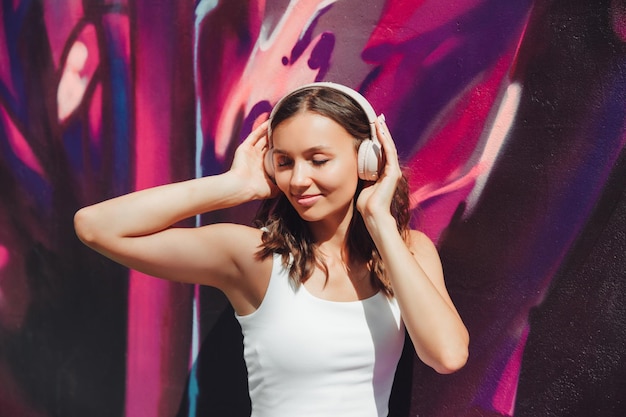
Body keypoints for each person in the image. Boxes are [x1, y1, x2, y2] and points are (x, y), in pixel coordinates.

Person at [74, 82, 469, 417]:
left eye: (318, 160)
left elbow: (447, 356)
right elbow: (96, 228)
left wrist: (380, 220)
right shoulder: (256, 256)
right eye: (284, 161)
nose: (298, 179)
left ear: (368, 160)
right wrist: (234, 186)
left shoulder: (409, 252)